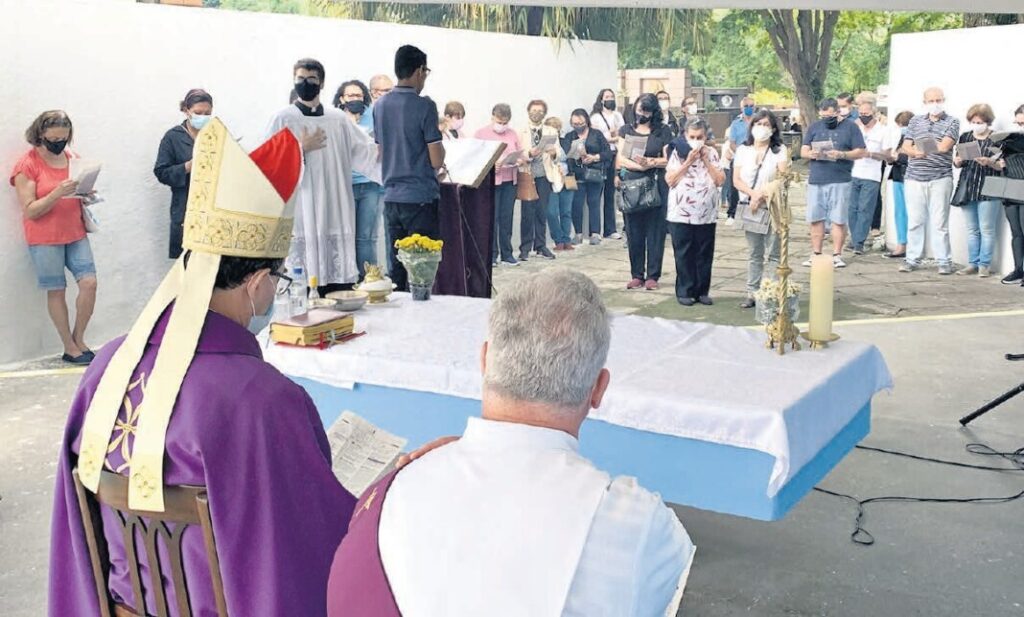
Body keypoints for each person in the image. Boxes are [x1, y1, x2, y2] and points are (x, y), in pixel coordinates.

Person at [47, 120, 359, 616]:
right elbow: (313, 540)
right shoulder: (262, 398)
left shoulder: (106, 364)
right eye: (276, 279)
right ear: (256, 282)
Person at [326, 267, 695, 617]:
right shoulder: (637, 525)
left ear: (485, 361)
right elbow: (676, 576)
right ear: (598, 389)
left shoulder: (391, 491)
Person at [267, 58, 381, 293]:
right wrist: (298, 148)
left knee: (339, 287)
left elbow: (367, 152)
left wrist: (398, 161)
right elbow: (267, 163)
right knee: (303, 284)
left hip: (335, 205)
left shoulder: (337, 120)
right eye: (300, 79)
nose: (305, 84)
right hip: (302, 208)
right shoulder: (283, 118)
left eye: (311, 79)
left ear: (322, 82)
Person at [10, 110, 97, 365]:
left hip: (75, 231)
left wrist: (87, 194)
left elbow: (78, 191)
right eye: (54, 139)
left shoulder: (72, 158)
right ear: (40, 135)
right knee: (57, 290)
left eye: (63, 138)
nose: (59, 143)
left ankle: (79, 337)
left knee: (89, 283)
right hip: (45, 237)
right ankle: (69, 346)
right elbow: (30, 210)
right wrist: (57, 193)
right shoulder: (27, 164)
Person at [373, 45, 446, 292]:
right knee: (422, 269)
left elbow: (381, 151)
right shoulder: (424, 105)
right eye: (425, 71)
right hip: (420, 198)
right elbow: (436, 160)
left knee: (397, 269)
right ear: (418, 71)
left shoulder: (380, 105)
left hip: (392, 198)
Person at [899, 87, 960, 275]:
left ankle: (944, 261)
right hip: (914, 177)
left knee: (939, 222)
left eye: (939, 100)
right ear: (924, 102)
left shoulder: (952, 122)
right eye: (931, 101)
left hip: (940, 177)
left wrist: (922, 146)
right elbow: (905, 147)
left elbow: (944, 146)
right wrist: (915, 151)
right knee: (915, 221)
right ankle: (912, 258)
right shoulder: (915, 121)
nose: (935, 104)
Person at [800, 98, 867, 269]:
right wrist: (811, 154)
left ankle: (837, 254)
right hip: (817, 178)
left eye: (830, 116)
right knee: (815, 217)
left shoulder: (851, 127)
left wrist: (842, 155)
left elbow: (861, 151)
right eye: (823, 116)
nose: (826, 120)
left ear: (837, 112)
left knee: (838, 218)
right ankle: (816, 253)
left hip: (840, 178)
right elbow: (803, 149)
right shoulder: (815, 127)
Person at [733, 110, 790, 309]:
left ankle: (770, 292)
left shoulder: (779, 150)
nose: (762, 128)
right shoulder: (743, 150)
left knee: (774, 254)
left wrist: (763, 194)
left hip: (772, 206)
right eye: (759, 123)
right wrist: (753, 194)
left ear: (773, 129)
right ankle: (752, 292)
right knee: (755, 252)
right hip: (751, 206)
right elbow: (737, 179)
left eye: (766, 124)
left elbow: (782, 178)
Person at [666, 118, 725, 306]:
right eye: (692, 137)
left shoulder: (713, 153)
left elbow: (720, 180)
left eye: (699, 137)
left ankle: (702, 291)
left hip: (706, 213)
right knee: (684, 253)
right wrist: (688, 161)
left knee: (704, 253)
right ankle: (685, 290)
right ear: (686, 135)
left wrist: (705, 159)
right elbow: (671, 180)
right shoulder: (678, 153)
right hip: (681, 211)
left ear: (705, 136)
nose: (696, 140)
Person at [617, 94, 672, 290]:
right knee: (634, 231)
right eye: (640, 110)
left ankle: (652, 276)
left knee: (656, 232)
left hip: (655, 183)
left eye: (647, 111)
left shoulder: (663, 131)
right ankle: (637, 274)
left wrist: (651, 162)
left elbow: (668, 159)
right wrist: (638, 167)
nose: (642, 114)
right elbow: (620, 159)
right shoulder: (626, 130)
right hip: (632, 183)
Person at [154, 88, 212, 259]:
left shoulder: (215, 134)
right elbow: (161, 172)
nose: (203, 117)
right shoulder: (173, 137)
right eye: (198, 113)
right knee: (188, 262)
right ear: (187, 111)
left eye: (207, 113)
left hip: (212, 208)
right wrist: (188, 166)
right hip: (185, 208)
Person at [335, 79, 383, 279]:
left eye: (359, 95)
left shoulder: (374, 117)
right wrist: (350, 124)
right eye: (350, 95)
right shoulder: (336, 119)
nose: (355, 99)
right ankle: (348, 279)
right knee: (345, 237)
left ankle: (368, 280)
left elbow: (378, 148)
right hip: (344, 185)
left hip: (370, 185)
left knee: (366, 237)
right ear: (341, 99)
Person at [952, 103, 1004, 278]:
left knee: (987, 228)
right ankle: (972, 263)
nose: (977, 124)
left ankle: (984, 264)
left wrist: (989, 162)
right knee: (972, 229)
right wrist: (957, 161)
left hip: (990, 186)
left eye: (980, 121)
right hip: (969, 185)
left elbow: (1002, 165)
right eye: (973, 121)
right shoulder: (966, 137)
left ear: (988, 122)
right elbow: (959, 160)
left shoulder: (997, 138)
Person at [475, 104, 523, 266]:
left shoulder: (512, 134)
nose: (502, 125)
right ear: (492, 117)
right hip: (491, 182)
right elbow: (475, 157)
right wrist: (491, 164)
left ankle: (507, 253)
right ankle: (492, 254)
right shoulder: (481, 134)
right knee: (492, 219)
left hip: (510, 180)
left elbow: (520, 153)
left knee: (506, 218)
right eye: (499, 121)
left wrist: (518, 160)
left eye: (505, 122)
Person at [847, 92, 895, 255]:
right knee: (852, 208)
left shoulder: (883, 131)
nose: (863, 117)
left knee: (865, 208)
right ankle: (854, 238)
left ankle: (859, 241)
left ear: (874, 113)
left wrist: (871, 154)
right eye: (861, 114)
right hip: (853, 173)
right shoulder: (855, 127)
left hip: (872, 175)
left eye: (866, 114)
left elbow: (887, 156)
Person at [518, 100, 561, 261]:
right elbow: (517, 151)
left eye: (540, 111)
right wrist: (529, 153)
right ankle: (525, 247)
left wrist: (553, 153)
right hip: (527, 174)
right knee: (527, 213)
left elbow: (559, 153)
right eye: (534, 110)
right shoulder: (520, 131)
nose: (537, 113)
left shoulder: (550, 131)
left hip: (544, 175)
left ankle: (541, 245)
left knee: (541, 211)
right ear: (528, 111)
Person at [568, 109, 613, 246]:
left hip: (594, 172)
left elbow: (607, 152)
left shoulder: (596, 134)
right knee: (577, 204)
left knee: (594, 202)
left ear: (586, 121)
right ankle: (578, 233)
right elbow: (566, 154)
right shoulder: (570, 136)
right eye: (575, 123)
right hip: (577, 174)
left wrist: (594, 158)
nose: (578, 126)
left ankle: (595, 233)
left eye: (581, 123)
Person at [591, 88, 625, 240]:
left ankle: (610, 229)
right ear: (601, 99)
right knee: (597, 194)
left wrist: (615, 137)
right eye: (607, 96)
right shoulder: (596, 117)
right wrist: (611, 137)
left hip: (615, 154)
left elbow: (623, 134)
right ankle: (595, 230)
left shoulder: (618, 115)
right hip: (603, 156)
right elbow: (598, 137)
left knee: (611, 193)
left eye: (612, 96)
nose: (610, 99)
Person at [723, 96, 757, 224]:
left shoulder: (758, 122)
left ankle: (752, 211)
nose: (749, 108)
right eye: (746, 106)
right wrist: (740, 151)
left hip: (756, 157)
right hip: (739, 157)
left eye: (751, 106)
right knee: (734, 186)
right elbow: (731, 142)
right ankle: (732, 213)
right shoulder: (736, 124)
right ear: (741, 108)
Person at [885, 111, 914, 259]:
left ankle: (909, 245)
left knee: (911, 213)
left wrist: (898, 157)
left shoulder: (915, 138)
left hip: (910, 177)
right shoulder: (900, 138)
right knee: (900, 212)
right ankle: (901, 243)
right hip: (897, 175)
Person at [545, 116, 576, 251]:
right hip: (552, 179)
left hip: (568, 178)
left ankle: (566, 240)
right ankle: (558, 239)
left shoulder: (565, 141)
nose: (556, 131)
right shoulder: (544, 144)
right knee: (552, 212)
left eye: (557, 128)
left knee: (566, 211)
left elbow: (571, 157)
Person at [1002, 105, 1024, 285]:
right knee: (1016, 232)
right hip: (1011, 186)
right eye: (1018, 123)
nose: (1020, 127)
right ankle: (1018, 269)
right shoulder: (1009, 141)